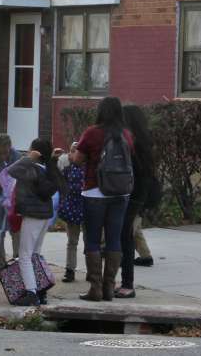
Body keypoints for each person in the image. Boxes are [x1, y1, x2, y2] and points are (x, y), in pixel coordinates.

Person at [73, 97, 134, 302]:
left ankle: (95, 288)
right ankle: (110, 287)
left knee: (92, 239)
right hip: (120, 193)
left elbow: (78, 159)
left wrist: (72, 153)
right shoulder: (126, 134)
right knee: (114, 239)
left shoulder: (92, 132)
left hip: (95, 192)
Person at [8, 137, 61, 306]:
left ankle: (31, 292)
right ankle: (41, 289)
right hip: (45, 215)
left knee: (25, 255)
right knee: (35, 254)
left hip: (32, 215)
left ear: (35, 152)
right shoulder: (49, 169)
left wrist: (28, 158)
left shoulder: (30, 168)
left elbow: (11, 171)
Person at [117, 104, 155, 299]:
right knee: (126, 234)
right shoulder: (144, 140)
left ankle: (127, 284)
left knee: (125, 236)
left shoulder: (132, 142)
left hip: (131, 193)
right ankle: (125, 282)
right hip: (139, 194)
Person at [0, 133, 22, 281]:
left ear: (10, 146)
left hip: (14, 197)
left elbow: (22, 175)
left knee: (16, 229)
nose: (3, 156)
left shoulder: (17, 157)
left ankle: (18, 261)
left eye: (5, 152)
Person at [56, 142, 85, 282]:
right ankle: (70, 269)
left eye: (74, 151)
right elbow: (60, 185)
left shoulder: (90, 170)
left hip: (88, 209)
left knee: (90, 241)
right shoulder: (67, 169)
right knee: (72, 241)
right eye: (70, 151)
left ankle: (92, 271)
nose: (71, 154)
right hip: (72, 209)